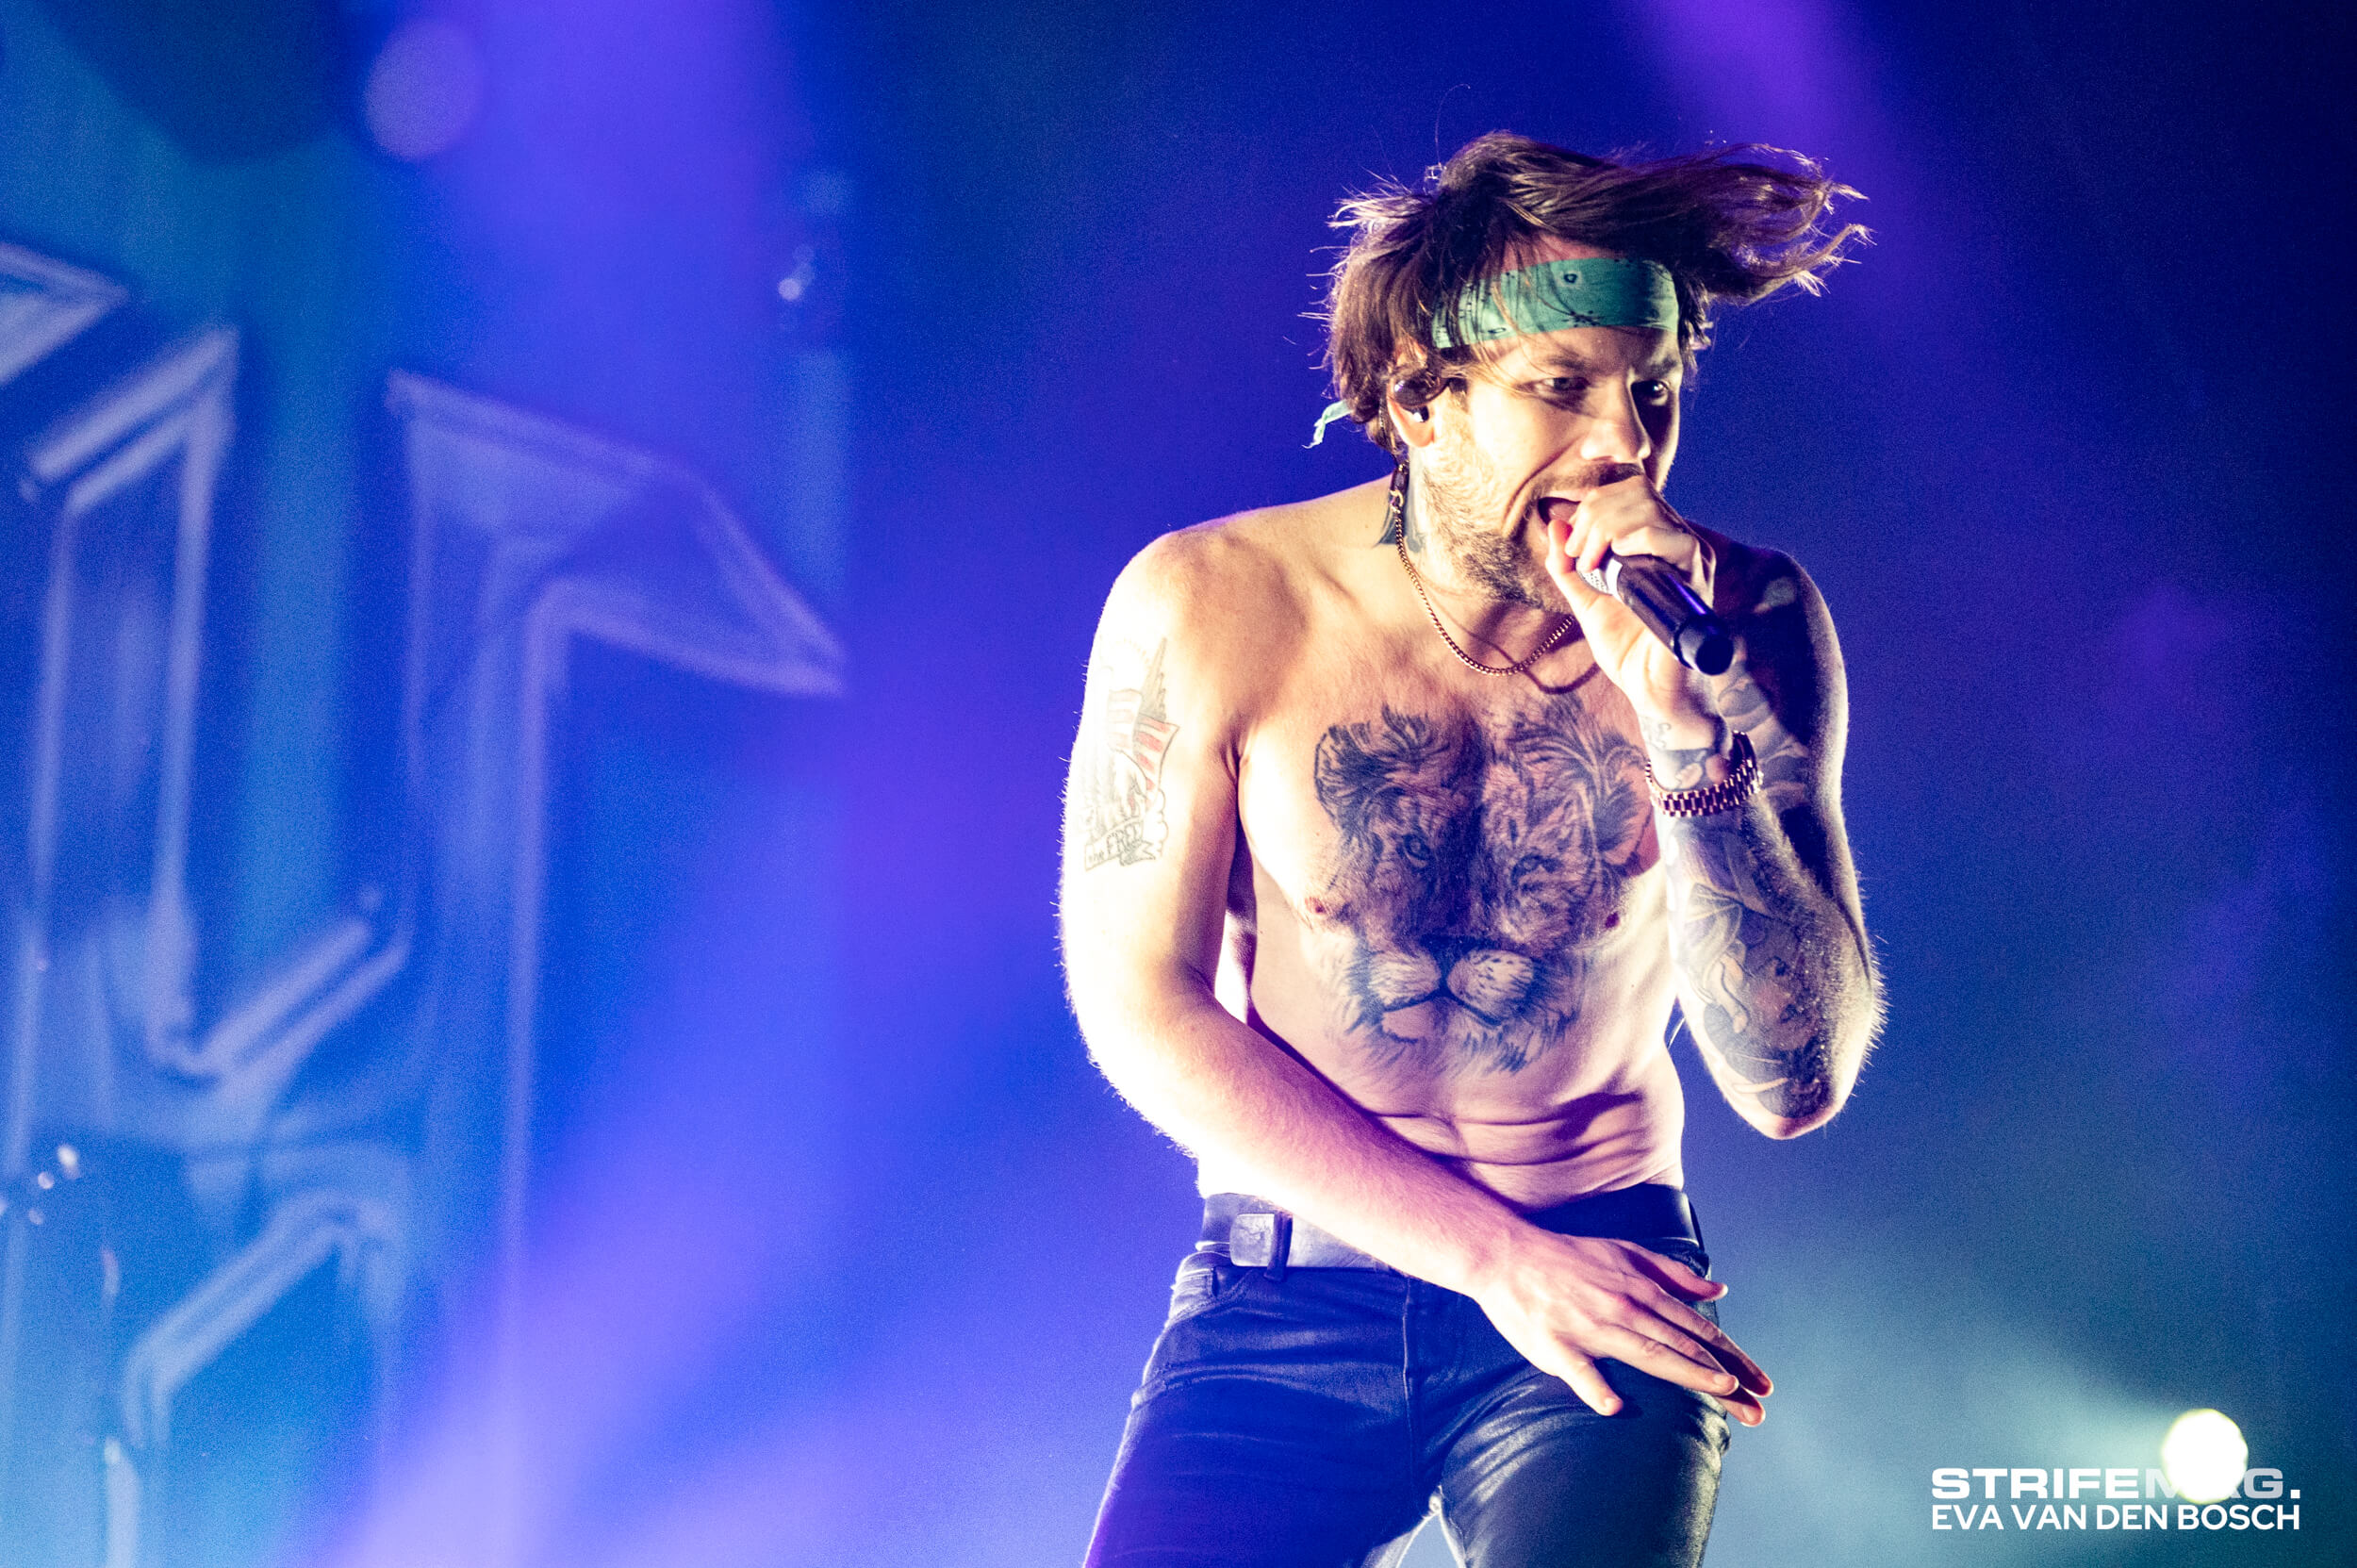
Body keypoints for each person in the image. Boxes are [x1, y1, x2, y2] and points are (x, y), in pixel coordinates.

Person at [1060, 133, 1882, 1568]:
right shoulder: (1208, 605)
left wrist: (1688, 745)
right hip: (1290, 1292)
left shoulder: (1742, 622)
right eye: (1560, 387)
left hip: (1603, 1275)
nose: (1622, 444)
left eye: (1652, 391)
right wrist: (1493, 1259)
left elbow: (1792, 1085)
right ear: (1418, 399)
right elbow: (1142, 1007)